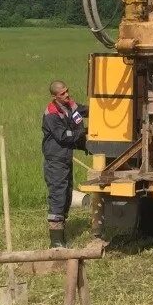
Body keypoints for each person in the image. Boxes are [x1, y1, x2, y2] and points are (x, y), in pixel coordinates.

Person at [42, 80, 88, 248]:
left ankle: (63, 231)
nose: (67, 95)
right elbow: (63, 135)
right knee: (58, 195)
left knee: (67, 193)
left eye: (67, 91)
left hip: (65, 158)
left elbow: (82, 111)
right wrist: (82, 133)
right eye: (62, 94)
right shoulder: (52, 114)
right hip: (56, 160)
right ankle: (56, 241)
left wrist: (100, 108)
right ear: (55, 96)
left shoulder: (69, 106)